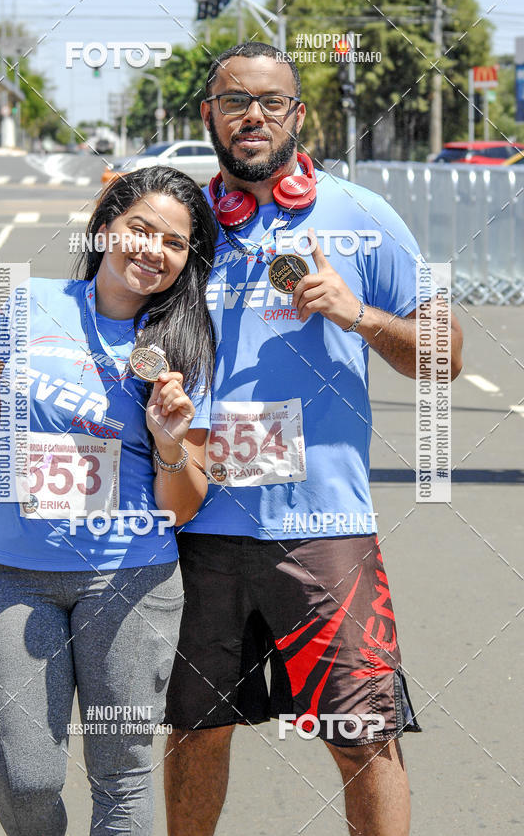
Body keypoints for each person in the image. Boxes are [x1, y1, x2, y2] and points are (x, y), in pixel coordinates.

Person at [163, 42, 464, 836]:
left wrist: (356, 314)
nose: (253, 116)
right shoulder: (180, 225)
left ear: (298, 115)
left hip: (325, 530)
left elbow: (446, 356)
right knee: (196, 729)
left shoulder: (361, 216)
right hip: (199, 524)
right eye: (235, 101)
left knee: (364, 735)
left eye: (271, 101)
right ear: (209, 115)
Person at [0, 166, 217, 836]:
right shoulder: (29, 304)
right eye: (140, 229)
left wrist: (168, 441)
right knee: (27, 775)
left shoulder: (185, 348)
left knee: (122, 775)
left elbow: (182, 506)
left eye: (174, 242)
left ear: (187, 260)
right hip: (19, 573)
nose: (153, 250)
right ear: (104, 228)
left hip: (132, 578)